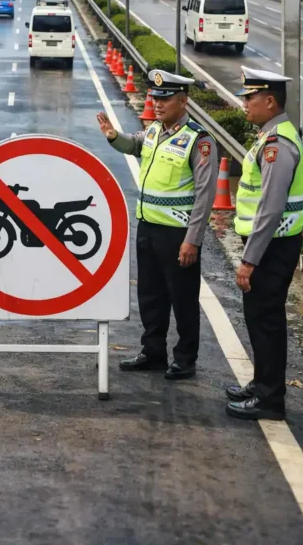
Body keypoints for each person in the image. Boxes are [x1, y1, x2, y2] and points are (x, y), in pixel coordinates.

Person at [98, 69, 219, 380]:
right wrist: (113, 136)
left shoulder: (198, 140)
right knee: (150, 295)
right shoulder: (154, 130)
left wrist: (193, 239)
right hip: (149, 227)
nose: (158, 103)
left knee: (182, 298)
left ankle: (185, 358)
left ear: (183, 101)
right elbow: (134, 145)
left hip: (178, 233)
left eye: (165, 99)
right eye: (155, 97)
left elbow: (206, 196)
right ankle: (153, 352)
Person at [225, 67, 303, 422]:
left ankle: (270, 400)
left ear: (270, 101)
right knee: (259, 319)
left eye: (250, 97)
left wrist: (249, 260)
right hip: (271, 245)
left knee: (266, 322)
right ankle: (261, 385)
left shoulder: (278, 146)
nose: (244, 103)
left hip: (272, 247)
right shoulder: (270, 136)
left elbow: (270, 210)